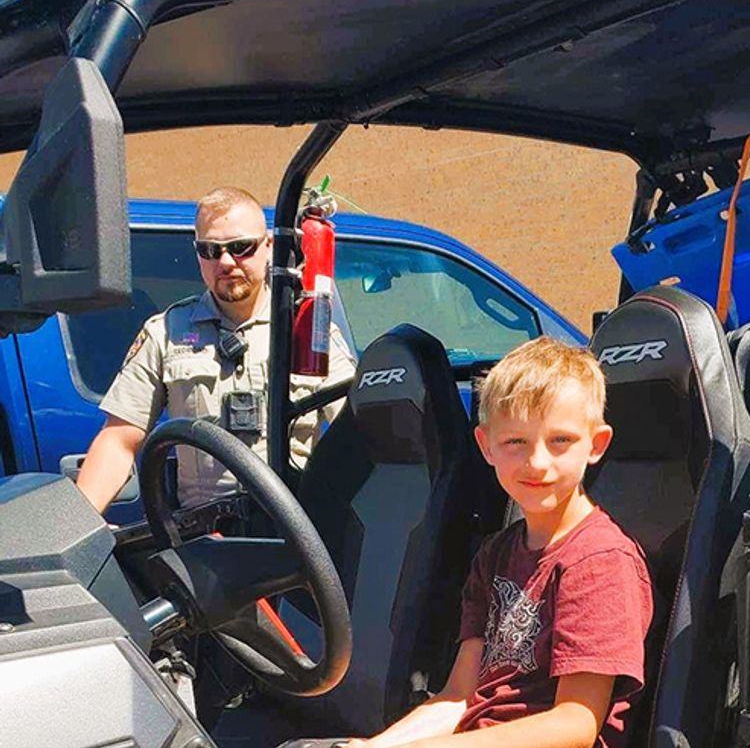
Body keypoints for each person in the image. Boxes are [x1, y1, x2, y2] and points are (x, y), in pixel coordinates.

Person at [346, 337, 653, 748]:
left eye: (560, 440)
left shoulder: (599, 561)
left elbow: (576, 724)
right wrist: (375, 746)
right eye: (515, 442)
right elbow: (457, 697)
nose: (537, 462)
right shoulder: (495, 555)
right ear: (486, 446)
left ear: (596, 445)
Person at [77, 186, 357, 513]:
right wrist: (81, 531)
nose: (225, 261)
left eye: (240, 247)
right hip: (204, 544)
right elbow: (119, 440)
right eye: (209, 250)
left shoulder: (308, 332)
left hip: (294, 532)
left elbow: (360, 432)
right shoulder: (166, 333)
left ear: (268, 247)